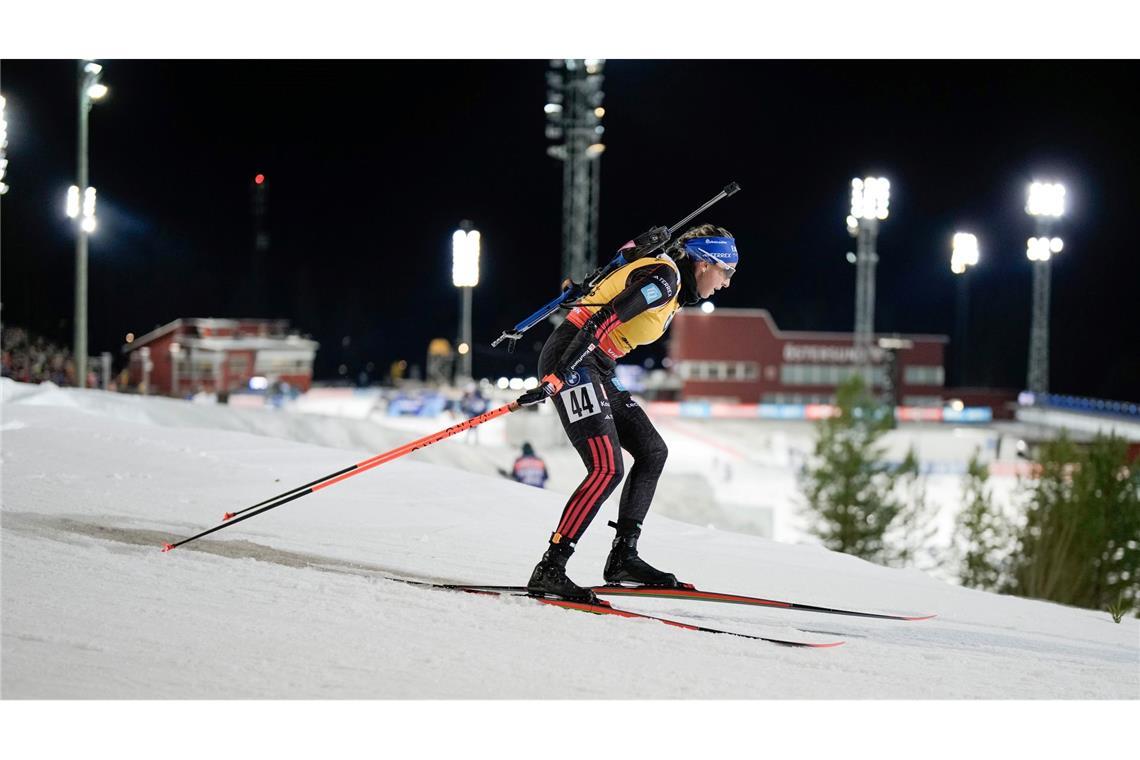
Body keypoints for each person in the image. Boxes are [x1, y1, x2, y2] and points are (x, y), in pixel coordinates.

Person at [515, 223, 738, 602]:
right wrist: (561, 373)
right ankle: (550, 567)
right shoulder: (665, 278)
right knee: (606, 467)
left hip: (597, 363)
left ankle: (623, 557)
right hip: (576, 355)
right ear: (704, 264)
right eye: (726, 271)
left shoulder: (672, 284)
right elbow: (602, 321)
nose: (727, 283)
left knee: (652, 450)